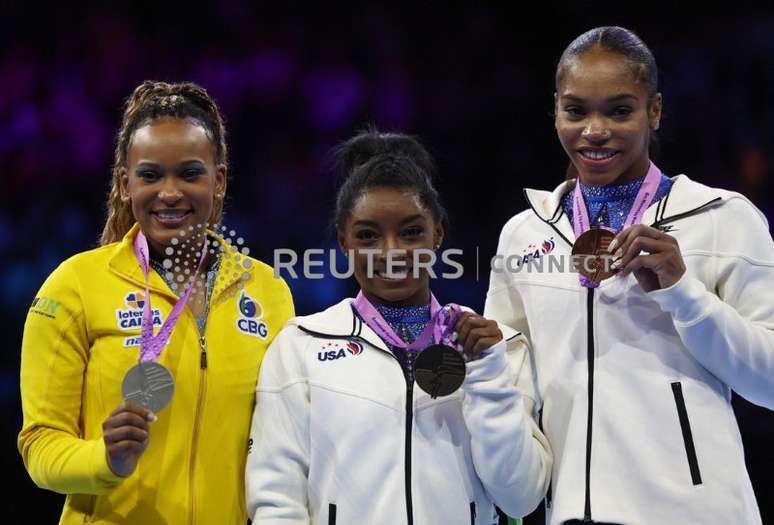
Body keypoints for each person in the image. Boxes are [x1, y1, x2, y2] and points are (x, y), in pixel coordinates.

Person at [485, 26, 774, 525]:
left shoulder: (723, 217)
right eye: (576, 110)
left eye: (619, 110)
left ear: (654, 111)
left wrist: (685, 294)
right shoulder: (522, 236)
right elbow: (514, 389)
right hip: (575, 514)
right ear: (555, 110)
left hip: (696, 513)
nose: (595, 131)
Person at [18, 80, 295, 524]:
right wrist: (104, 460)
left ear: (218, 180)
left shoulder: (267, 291)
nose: (169, 192)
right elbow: (40, 445)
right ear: (126, 184)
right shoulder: (75, 285)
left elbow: (286, 441)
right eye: (150, 175)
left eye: (189, 173)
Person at [245, 129, 552, 524]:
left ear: (437, 233)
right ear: (344, 242)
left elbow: (520, 497)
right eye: (368, 236)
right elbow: (276, 501)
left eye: (410, 232)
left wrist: (487, 376)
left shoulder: (498, 348)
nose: (391, 252)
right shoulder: (300, 347)